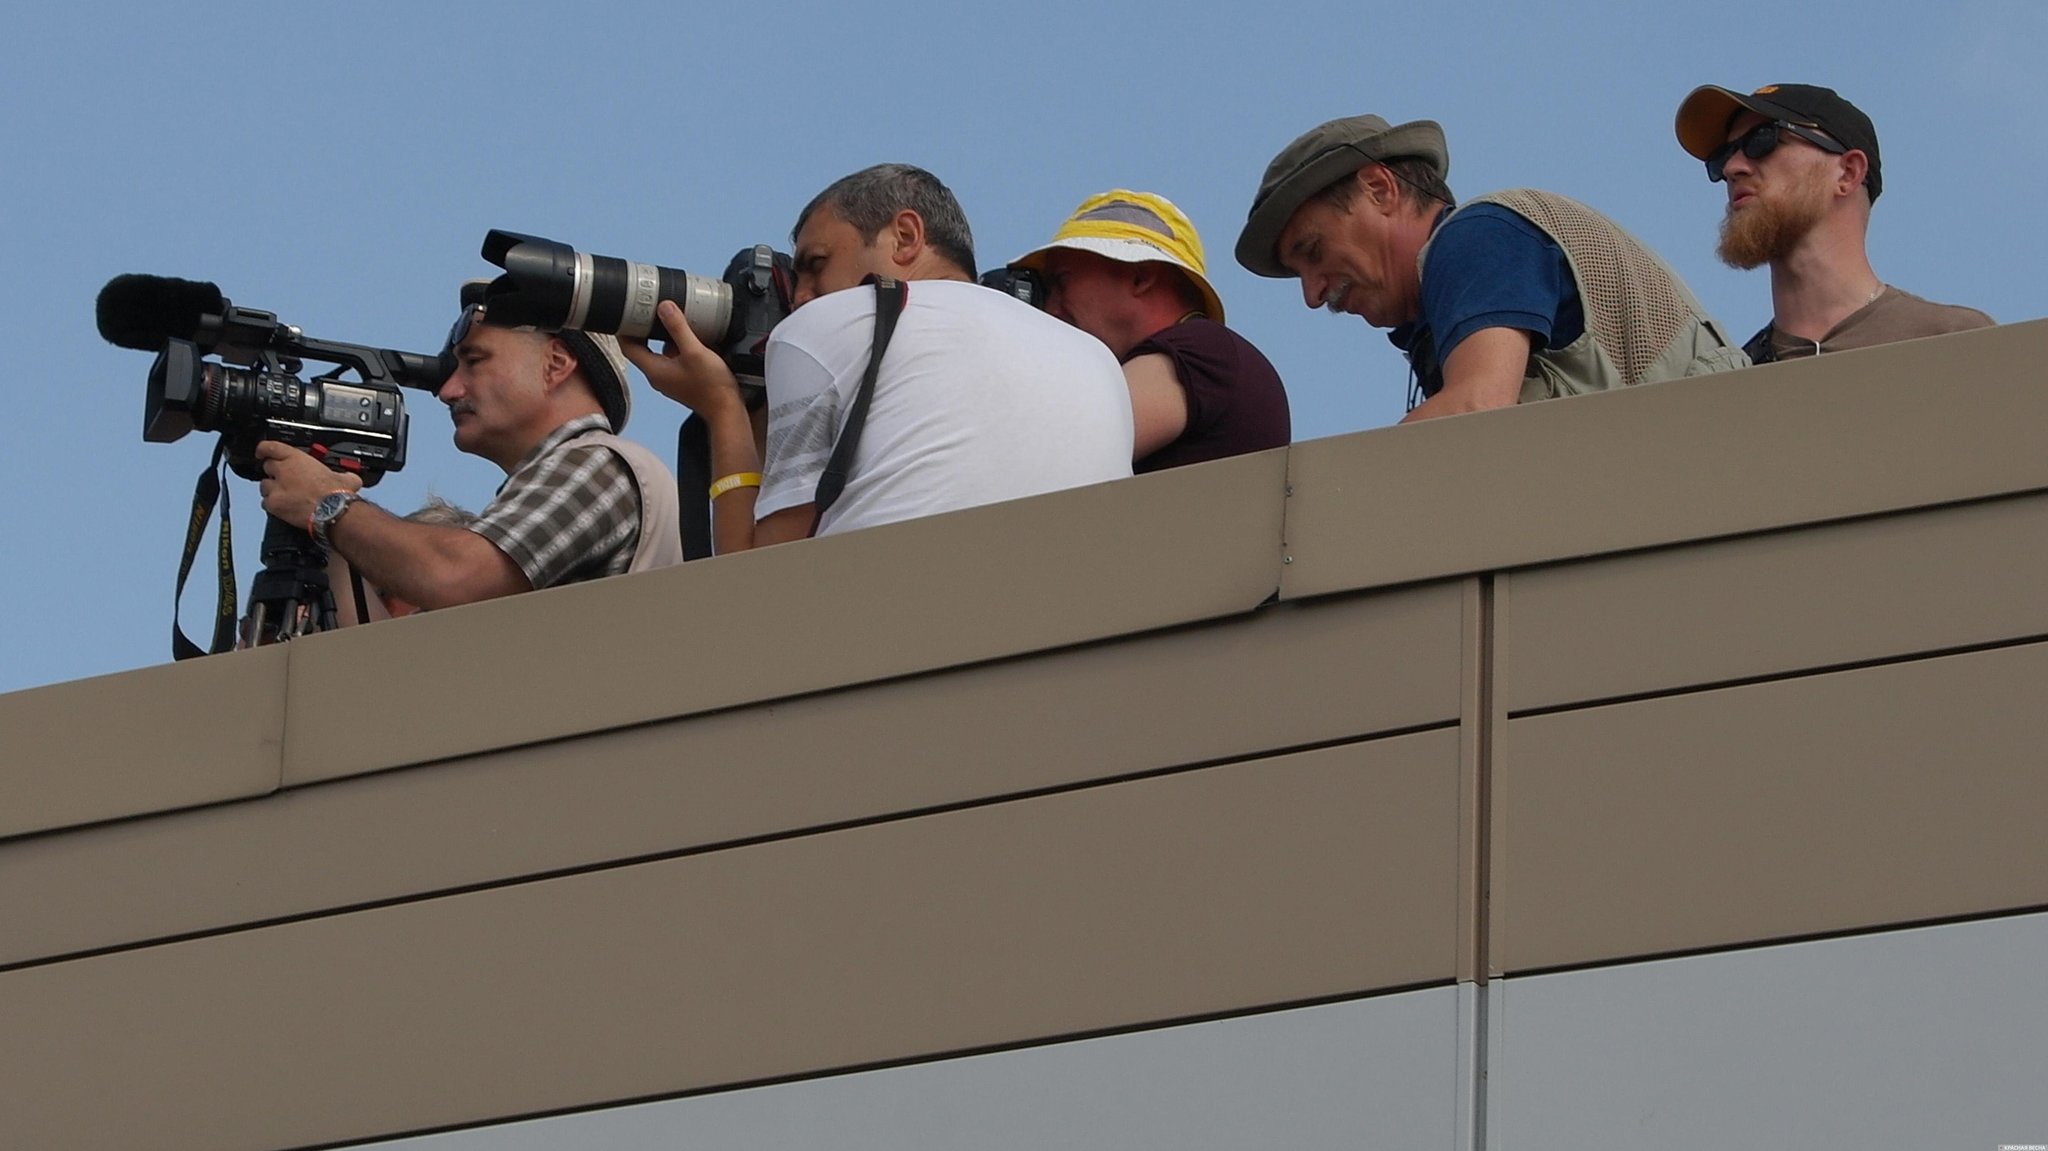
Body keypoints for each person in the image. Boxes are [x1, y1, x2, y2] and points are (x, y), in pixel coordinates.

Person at [623, 163, 1133, 552]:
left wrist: (723, 409)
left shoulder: (823, 326)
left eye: (815, 264)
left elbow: (756, 586)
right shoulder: (1098, 359)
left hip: (889, 653)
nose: (799, 298)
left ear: (905, 237)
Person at [1234, 114, 1748, 423]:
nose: (1311, 293)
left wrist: (1333, 494)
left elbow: (1478, 408)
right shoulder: (1446, 304)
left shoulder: (1474, 237)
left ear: (1380, 189)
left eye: (1314, 251)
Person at [258, 306, 682, 611]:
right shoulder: (559, 483)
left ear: (555, 363)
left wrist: (329, 505)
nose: (448, 391)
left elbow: (455, 576)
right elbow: (387, 673)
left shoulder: (597, 467)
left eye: (474, 362)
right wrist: (328, 528)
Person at [1674, 83, 1994, 362]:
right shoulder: (1733, 384)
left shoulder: (1952, 340)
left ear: (1848, 173)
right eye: (1722, 156)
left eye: (1763, 139)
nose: (1732, 167)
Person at [1008, 189, 1290, 472]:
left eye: (1061, 281)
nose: (1051, 308)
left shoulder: (1203, 348)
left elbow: (1055, 452)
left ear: (1140, 276)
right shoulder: (1212, 359)